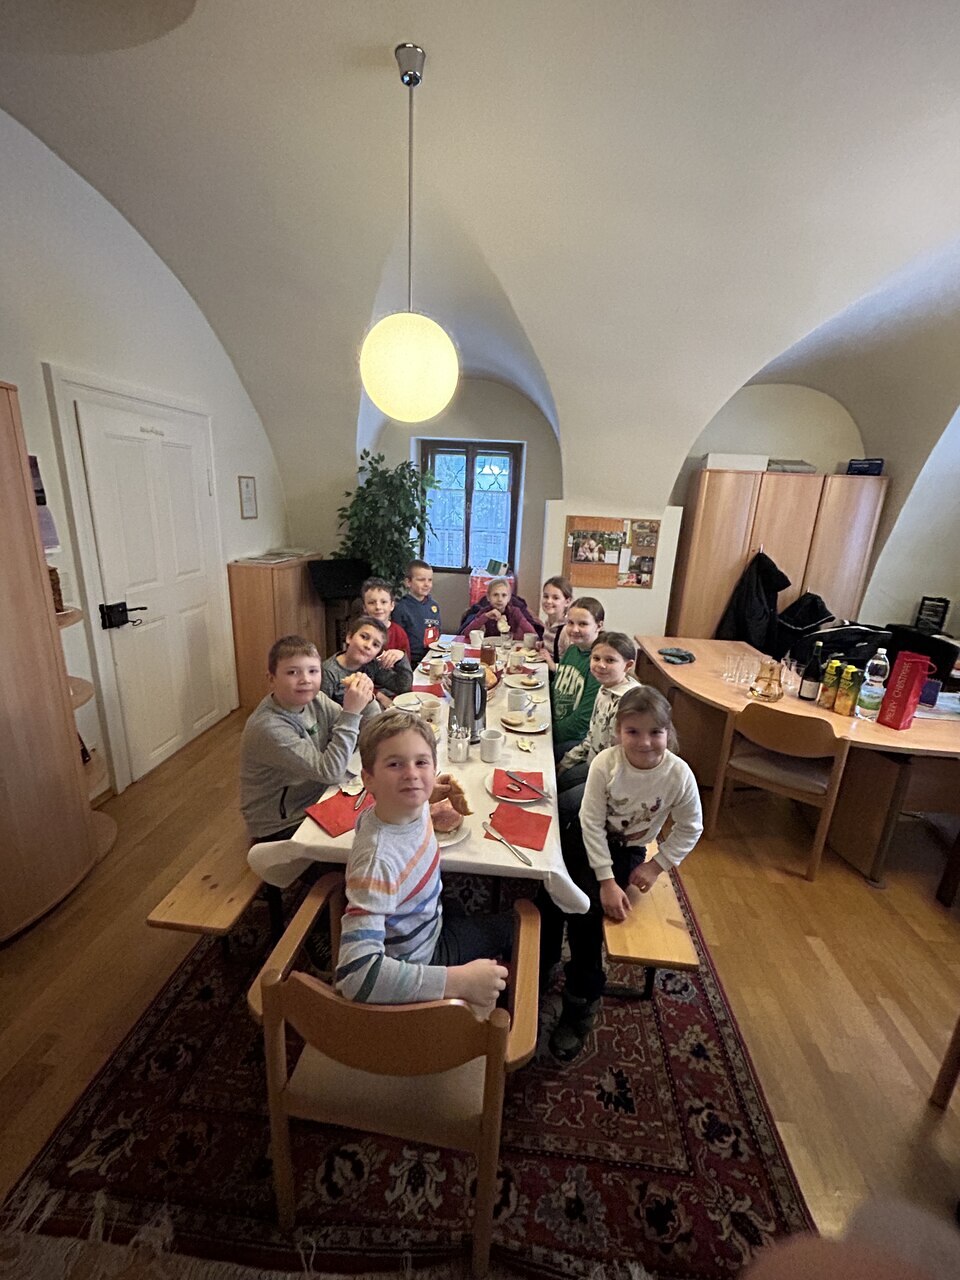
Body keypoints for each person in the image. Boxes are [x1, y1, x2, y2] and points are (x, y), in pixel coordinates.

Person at [546, 686, 703, 1061]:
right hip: (588, 838)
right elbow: (590, 823)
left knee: (586, 913)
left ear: (668, 732)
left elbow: (691, 826)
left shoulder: (678, 774)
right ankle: (543, 960)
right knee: (550, 889)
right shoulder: (606, 763)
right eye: (633, 731)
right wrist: (605, 879)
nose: (645, 742)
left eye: (655, 732)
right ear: (618, 732)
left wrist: (656, 864)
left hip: (628, 850)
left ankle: (581, 999)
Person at [335, 713, 513, 1009]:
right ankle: (516, 1011)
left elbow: (371, 819)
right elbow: (356, 977)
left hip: (427, 918)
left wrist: (425, 796)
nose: (411, 774)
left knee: (462, 908)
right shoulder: (377, 864)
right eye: (395, 764)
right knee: (514, 926)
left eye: (421, 763)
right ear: (368, 780)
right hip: (421, 957)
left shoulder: (393, 811)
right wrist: (456, 981)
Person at [240, 634, 374, 843]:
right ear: (271, 679)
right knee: (366, 838)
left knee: (385, 809)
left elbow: (366, 735)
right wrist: (351, 713)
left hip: (319, 794)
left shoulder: (316, 699)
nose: (305, 679)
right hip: (282, 823)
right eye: (292, 672)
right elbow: (331, 772)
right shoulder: (268, 727)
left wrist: (368, 700)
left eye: (313, 671)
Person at [555, 632, 637, 818]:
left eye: (610, 660)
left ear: (628, 665)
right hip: (596, 762)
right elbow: (592, 735)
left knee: (562, 805)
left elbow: (624, 762)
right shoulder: (605, 688)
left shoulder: (628, 703)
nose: (601, 665)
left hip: (614, 780)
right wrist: (568, 761)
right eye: (596, 658)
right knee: (558, 781)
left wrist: (596, 786)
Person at [550, 596, 605, 757]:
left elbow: (583, 720)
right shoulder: (572, 650)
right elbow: (556, 686)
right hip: (556, 725)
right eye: (570, 623)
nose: (574, 629)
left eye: (583, 624)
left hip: (575, 740)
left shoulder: (598, 664)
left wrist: (549, 732)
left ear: (599, 626)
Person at [321, 614, 412, 709]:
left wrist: (401, 657)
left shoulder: (371, 665)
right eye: (364, 637)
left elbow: (403, 687)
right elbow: (321, 712)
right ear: (349, 637)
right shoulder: (328, 672)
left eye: (375, 645)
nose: (368, 646)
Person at [392, 559, 442, 667]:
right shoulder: (401, 608)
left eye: (430, 580)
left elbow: (438, 631)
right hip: (411, 661)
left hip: (433, 656)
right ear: (408, 582)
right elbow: (397, 640)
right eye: (421, 580)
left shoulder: (434, 606)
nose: (427, 584)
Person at [458, 577, 541, 641]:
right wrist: (485, 617)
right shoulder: (485, 612)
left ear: (509, 598)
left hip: (508, 649)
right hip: (488, 649)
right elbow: (466, 633)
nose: (500, 599)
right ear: (488, 597)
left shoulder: (515, 612)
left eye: (504, 595)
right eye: (495, 595)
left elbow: (533, 634)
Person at [358, 576, 411, 666]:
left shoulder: (399, 633)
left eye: (383, 602)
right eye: (371, 603)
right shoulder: (359, 632)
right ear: (364, 608)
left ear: (392, 605)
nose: (378, 607)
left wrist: (401, 655)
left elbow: (407, 664)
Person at [539, 575, 573, 668]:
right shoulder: (548, 623)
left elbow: (570, 667)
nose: (549, 601)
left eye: (555, 598)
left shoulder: (566, 630)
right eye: (546, 596)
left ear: (567, 602)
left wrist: (550, 662)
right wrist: (543, 645)